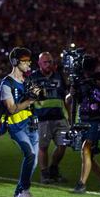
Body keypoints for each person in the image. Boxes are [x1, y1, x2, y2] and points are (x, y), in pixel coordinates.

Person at [66, 54, 100, 194]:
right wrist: (72, 94)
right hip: (84, 120)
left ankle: (81, 184)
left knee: (86, 149)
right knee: (87, 154)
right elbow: (69, 100)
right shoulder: (80, 80)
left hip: (97, 120)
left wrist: (95, 82)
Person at [0, 47, 40, 197]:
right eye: (25, 61)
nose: (29, 63)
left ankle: (18, 192)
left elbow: (40, 99)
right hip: (16, 126)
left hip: (31, 125)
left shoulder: (28, 80)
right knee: (30, 154)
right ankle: (26, 191)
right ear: (15, 62)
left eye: (29, 60)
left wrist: (38, 93)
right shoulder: (6, 84)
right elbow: (12, 109)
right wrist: (29, 100)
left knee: (33, 160)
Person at [28, 52, 70, 184]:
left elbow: (65, 98)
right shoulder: (33, 78)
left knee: (63, 144)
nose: (48, 64)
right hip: (42, 119)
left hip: (60, 117)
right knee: (43, 147)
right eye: (45, 62)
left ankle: (53, 169)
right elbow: (30, 98)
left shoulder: (59, 76)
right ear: (39, 64)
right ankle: (44, 174)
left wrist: (70, 116)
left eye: (50, 61)